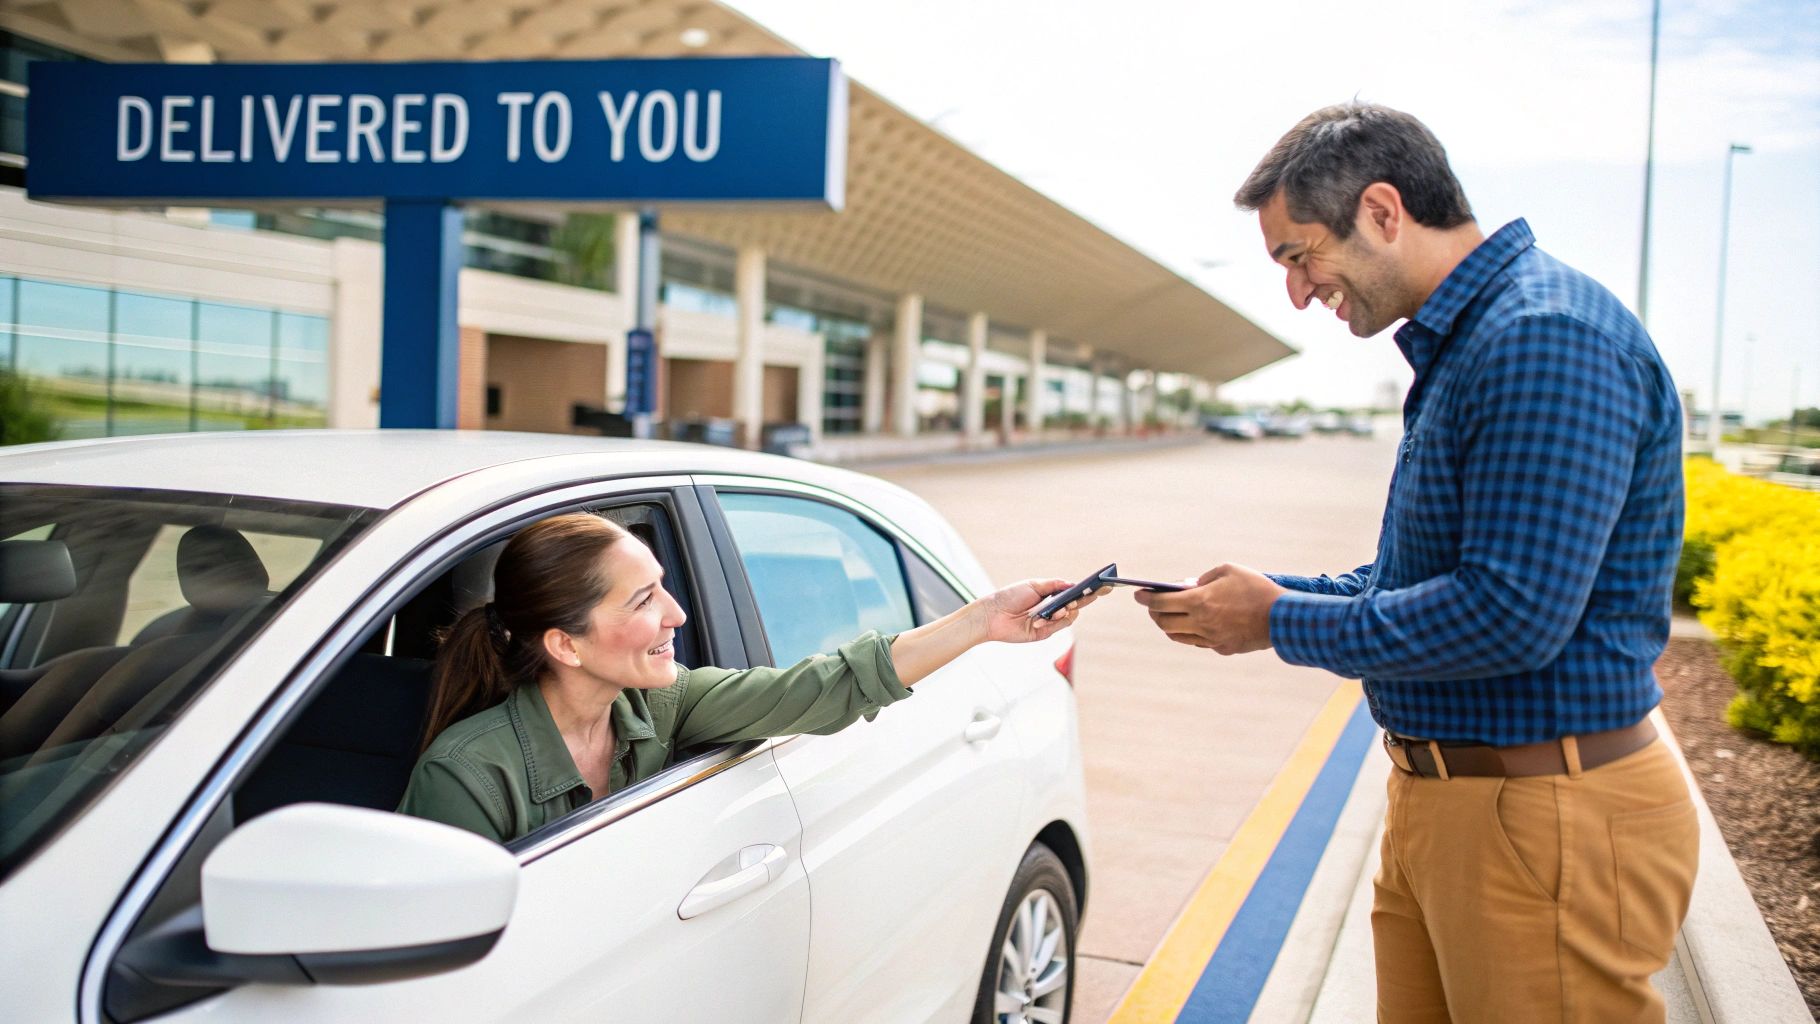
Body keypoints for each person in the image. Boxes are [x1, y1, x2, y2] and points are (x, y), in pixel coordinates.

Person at [1136, 103, 1697, 1022]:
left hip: (1543, 810)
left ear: (1384, 211)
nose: (1299, 291)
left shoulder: (1543, 337)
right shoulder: (1472, 341)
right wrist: (1269, 597)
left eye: (1299, 254)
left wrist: (1275, 622)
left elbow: (1511, 613)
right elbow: (1419, 577)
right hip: (1457, 802)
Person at [399, 512, 1098, 844]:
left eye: (663, 586)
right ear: (565, 644)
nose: (676, 612)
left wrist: (981, 620)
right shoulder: (465, 776)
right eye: (643, 600)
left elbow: (825, 686)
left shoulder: (661, 707)